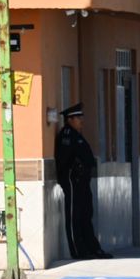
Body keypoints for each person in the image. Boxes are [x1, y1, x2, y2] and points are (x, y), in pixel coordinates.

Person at [54, 103, 109, 259]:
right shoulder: (67, 135)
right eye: (78, 118)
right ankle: (77, 251)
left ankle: (91, 248)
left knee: (86, 214)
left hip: (83, 181)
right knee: (74, 216)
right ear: (70, 119)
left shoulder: (76, 134)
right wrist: (71, 174)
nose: (81, 120)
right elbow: (65, 161)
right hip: (73, 181)